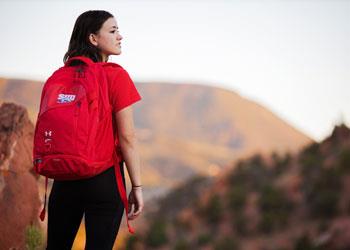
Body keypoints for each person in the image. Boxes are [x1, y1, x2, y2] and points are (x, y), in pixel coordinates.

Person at [46, 10, 144, 250]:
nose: (120, 36)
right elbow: (127, 137)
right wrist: (137, 186)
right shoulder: (115, 76)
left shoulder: (59, 77)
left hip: (64, 178)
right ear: (93, 38)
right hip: (104, 179)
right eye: (112, 31)